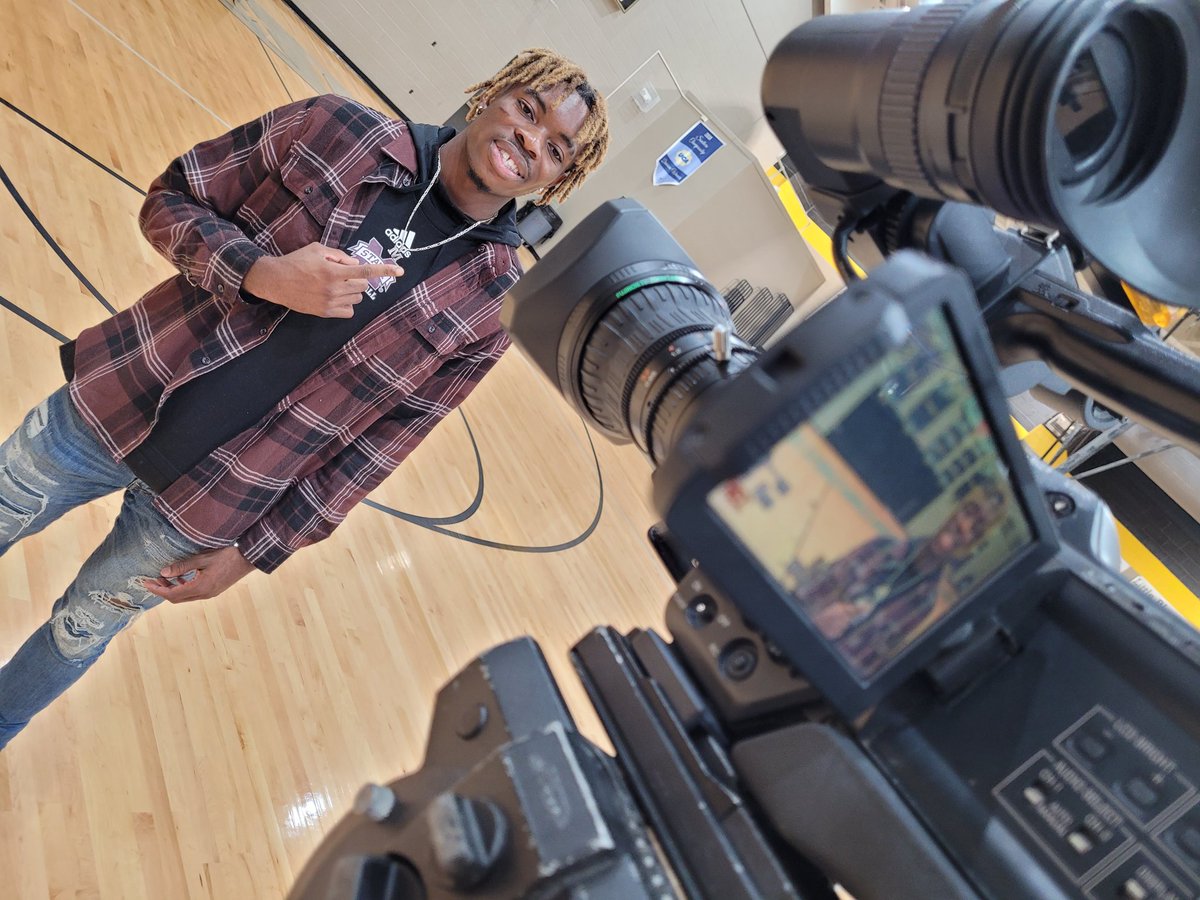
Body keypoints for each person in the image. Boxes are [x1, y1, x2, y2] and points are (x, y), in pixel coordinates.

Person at [0, 48, 610, 748]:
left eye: (557, 147)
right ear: (491, 93)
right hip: (110, 407)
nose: (531, 140)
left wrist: (253, 552)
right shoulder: (334, 128)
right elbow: (170, 200)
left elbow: (375, 452)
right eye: (528, 109)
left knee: (77, 633)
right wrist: (258, 273)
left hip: (207, 509)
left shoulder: (492, 303)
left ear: (561, 178)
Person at [799, 485, 1008, 677]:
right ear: (954, 510)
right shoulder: (880, 548)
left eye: (976, 528)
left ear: (974, 543)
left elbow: (868, 664)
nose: (964, 525)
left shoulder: (923, 604)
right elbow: (809, 591)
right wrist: (815, 619)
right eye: (968, 511)